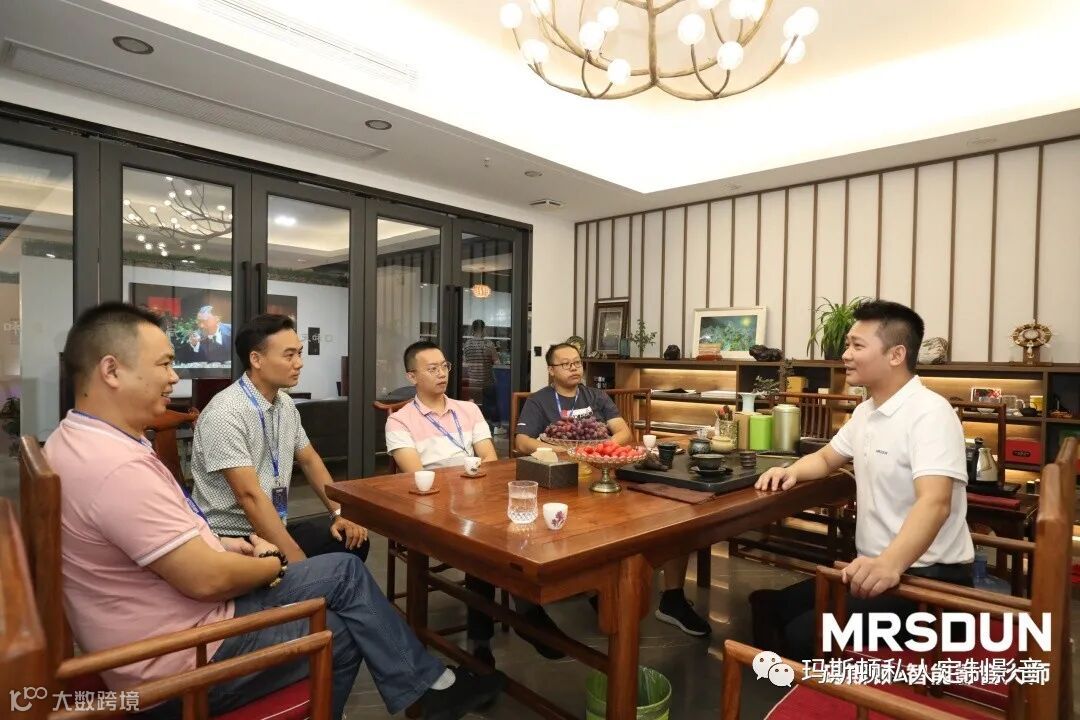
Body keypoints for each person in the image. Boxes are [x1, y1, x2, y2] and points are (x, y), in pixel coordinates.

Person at [44, 302, 504, 720]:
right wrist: (279, 566)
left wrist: (338, 512)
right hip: (184, 645)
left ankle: (422, 684)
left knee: (346, 549)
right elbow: (240, 517)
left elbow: (309, 460)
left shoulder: (91, 441)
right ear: (111, 370)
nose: (174, 378)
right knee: (341, 607)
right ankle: (422, 686)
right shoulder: (181, 435)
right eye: (164, 363)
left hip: (216, 567)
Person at [750, 300, 974, 660]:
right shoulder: (867, 411)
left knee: (801, 635)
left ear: (896, 354)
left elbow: (935, 502)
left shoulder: (930, 413)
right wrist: (790, 471)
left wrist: (890, 564)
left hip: (926, 579)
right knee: (770, 604)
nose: (846, 354)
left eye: (857, 345)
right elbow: (827, 458)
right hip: (872, 569)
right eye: (847, 345)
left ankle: (820, 685)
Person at [385, 341, 564, 668]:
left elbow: (490, 461)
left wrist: (477, 490)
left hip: (480, 497)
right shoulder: (400, 421)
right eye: (432, 369)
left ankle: (502, 628)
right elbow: (419, 476)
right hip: (436, 506)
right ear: (412, 376)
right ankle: (512, 623)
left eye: (445, 366)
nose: (442, 374)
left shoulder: (468, 410)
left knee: (518, 525)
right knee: (484, 546)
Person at [515, 343, 712, 637]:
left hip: (605, 471)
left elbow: (623, 432)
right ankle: (600, 589)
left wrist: (599, 449)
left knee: (673, 515)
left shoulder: (596, 395)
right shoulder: (539, 401)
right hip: (563, 480)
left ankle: (670, 596)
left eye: (577, 362)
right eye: (565, 364)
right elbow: (522, 442)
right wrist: (564, 450)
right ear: (551, 370)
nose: (574, 368)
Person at [190, 314, 369, 564]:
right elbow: (249, 496)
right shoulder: (225, 413)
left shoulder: (285, 403)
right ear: (256, 359)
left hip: (274, 524)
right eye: (289, 355)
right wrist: (298, 562)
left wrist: (339, 512)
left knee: (352, 539)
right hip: (233, 539)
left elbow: (309, 460)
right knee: (311, 567)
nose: (299, 363)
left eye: (300, 353)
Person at [461, 319, 500, 427]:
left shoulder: (467, 345)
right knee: (491, 404)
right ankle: (495, 426)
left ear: (473, 330)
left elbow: (465, 362)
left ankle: (473, 425)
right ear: (483, 329)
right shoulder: (488, 344)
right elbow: (497, 361)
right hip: (487, 380)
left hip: (473, 381)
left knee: (473, 404)